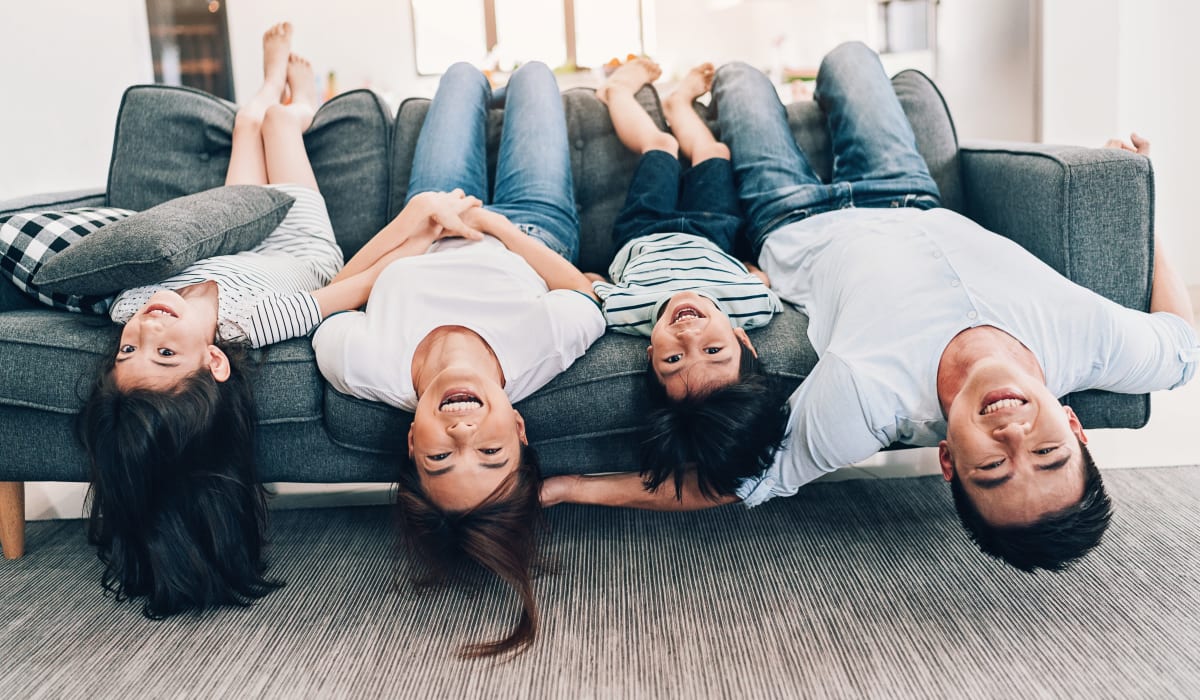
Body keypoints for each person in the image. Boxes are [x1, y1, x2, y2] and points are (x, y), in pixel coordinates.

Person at [542, 42, 1198, 573]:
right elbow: (1183, 344)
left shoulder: (867, 402)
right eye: (1049, 453)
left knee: (741, 77)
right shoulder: (1096, 344)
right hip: (906, 190)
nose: (1014, 437)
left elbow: (740, 481)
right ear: (1074, 426)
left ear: (948, 461)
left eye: (992, 467)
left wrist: (570, 488)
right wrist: (1146, 211)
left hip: (790, 214)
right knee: (852, 57)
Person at [79, 23, 410, 618]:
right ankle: (295, 94)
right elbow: (351, 289)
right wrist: (418, 235)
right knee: (279, 123)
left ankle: (261, 83)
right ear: (214, 361)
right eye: (166, 355)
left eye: (128, 354)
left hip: (228, 237)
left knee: (244, 124)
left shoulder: (131, 305)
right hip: (296, 245)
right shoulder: (257, 321)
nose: (145, 335)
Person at [311, 61, 605, 657]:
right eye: (491, 452)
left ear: (413, 445)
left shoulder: (361, 366)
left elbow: (337, 293)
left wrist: (412, 224)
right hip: (528, 228)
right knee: (534, 77)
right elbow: (583, 295)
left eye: (443, 455)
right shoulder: (538, 353)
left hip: (431, 213)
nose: (464, 430)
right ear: (520, 430)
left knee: (462, 76)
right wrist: (497, 226)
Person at [592, 58, 785, 499]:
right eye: (714, 350)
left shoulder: (624, 312)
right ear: (743, 340)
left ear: (649, 356)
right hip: (712, 231)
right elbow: (765, 284)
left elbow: (589, 287)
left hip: (645, 230)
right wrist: (757, 275)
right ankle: (680, 102)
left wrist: (587, 279)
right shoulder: (752, 307)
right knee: (715, 153)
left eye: (673, 360)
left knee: (659, 146)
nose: (688, 334)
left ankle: (617, 91)